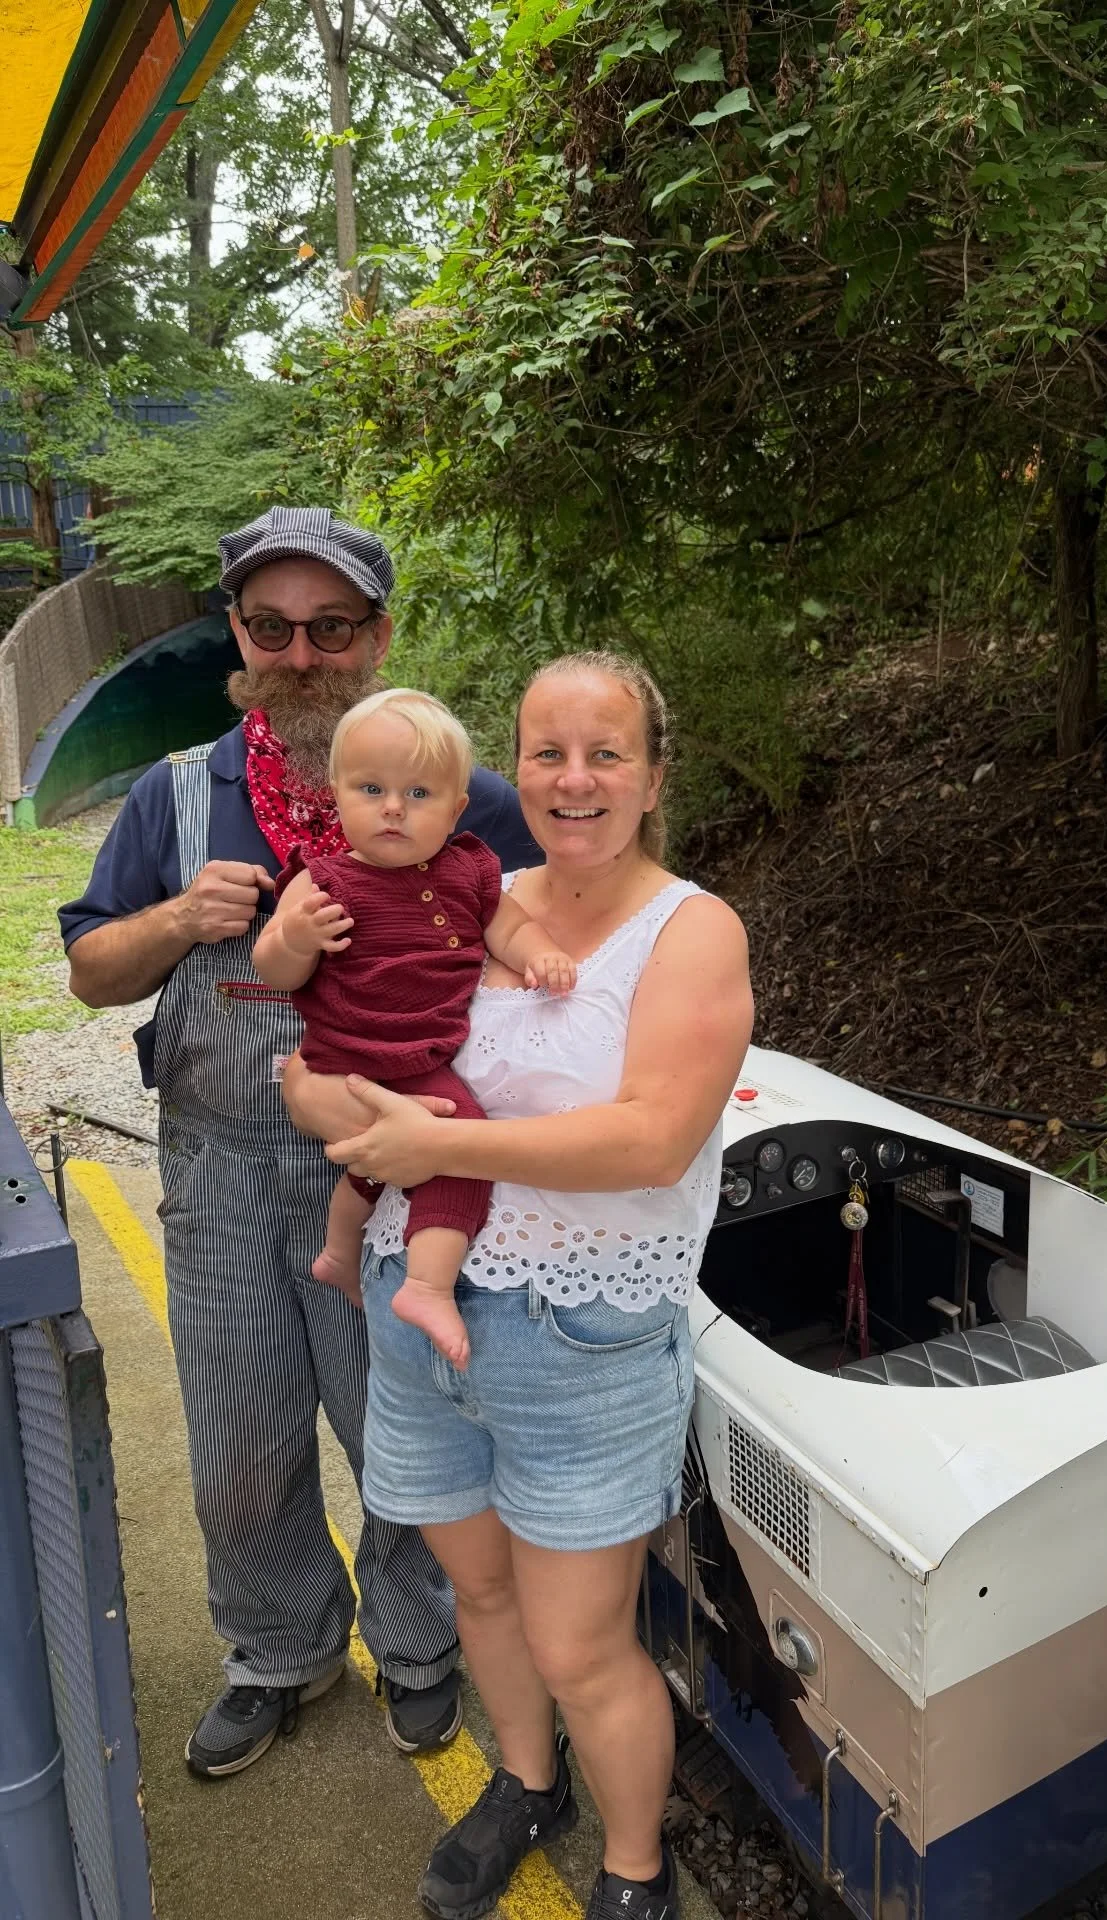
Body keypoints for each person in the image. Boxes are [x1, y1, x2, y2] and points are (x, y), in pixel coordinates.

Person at [58, 507, 541, 1780]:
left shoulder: (467, 796)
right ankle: (280, 1648)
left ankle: (421, 1643)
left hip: (397, 1169)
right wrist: (176, 916)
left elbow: (562, 961)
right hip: (221, 1176)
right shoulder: (176, 793)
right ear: (238, 637)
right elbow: (90, 973)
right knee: (238, 1442)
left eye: (332, 628)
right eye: (272, 626)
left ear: (377, 638)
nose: (302, 653)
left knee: (408, 1431)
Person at [282, 651, 753, 1920]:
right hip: (417, 1309)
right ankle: (529, 1785)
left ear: (654, 776)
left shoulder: (691, 931)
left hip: (582, 1336)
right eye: (547, 751)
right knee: (476, 1591)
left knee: (582, 1643)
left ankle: (635, 1867)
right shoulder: (466, 888)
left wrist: (434, 1144)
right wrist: (323, 1099)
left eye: (605, 753)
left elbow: (651, 1139)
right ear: (513, 766)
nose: (573, 778)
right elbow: (327, 1062)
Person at [253, 686, 576, 1368]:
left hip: (421, 1055)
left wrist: (537, 952)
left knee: (379, 1169)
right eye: (371, 788)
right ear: (337, 794)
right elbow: (273, 970)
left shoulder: (469, 871)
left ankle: (340, 1253)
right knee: (459, 1148)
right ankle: (428, 1286)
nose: (394, 808)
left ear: (457, 808)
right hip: (352, 1053)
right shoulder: (321, 881)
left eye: (419, 794)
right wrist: (298, 937)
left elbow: (508, 925)